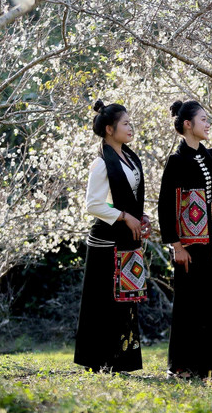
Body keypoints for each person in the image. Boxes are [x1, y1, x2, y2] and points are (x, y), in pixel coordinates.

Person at [157, 100, 212, 379]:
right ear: (187, 124)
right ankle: (179, 367)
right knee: (187, 306)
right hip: (188, 247)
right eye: (203, 119)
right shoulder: (176, 161)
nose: (208, 124)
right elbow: (165, 205)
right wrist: (176, 245)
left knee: (207, 303)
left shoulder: (211, 156)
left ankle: (206, 369)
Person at [74, 100, 151, 373]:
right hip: (106, 241)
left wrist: (139, 217)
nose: (131, 127)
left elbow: (129, 199)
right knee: (104, 301)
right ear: (109, 129)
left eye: (131, 122)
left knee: (125, 298)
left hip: (126, 238)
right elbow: (93, 204)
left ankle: (120, 359)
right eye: (126, 123)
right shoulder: (101, 163)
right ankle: (99, 360)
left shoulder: (128, 158)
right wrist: (124, 216)